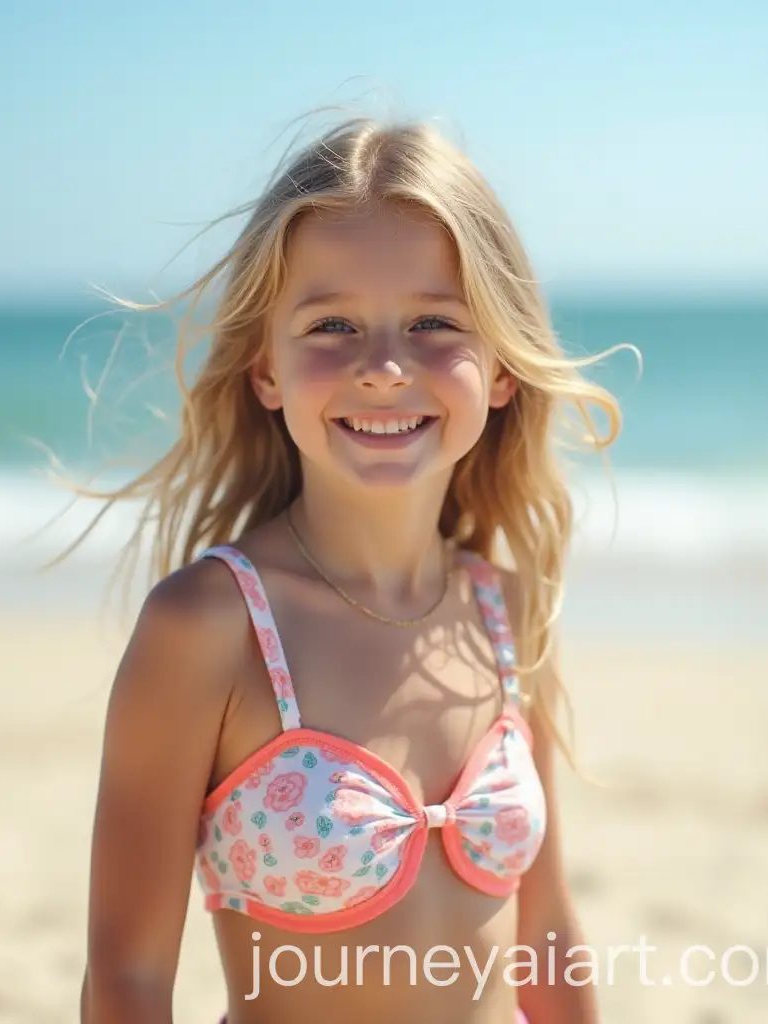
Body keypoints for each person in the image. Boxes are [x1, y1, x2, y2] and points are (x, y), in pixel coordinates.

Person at [75, 114, 625, 1023]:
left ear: (498, 366)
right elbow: (126, 982)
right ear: (266, 369)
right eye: (331, 324)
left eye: (433, 323)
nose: (382, 368)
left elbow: (548, 937)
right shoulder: (209, 627)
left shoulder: (506, 613)